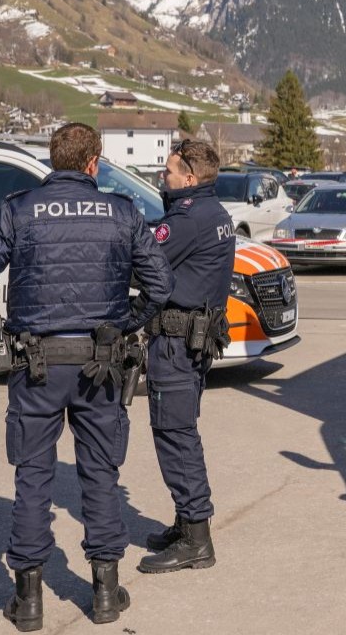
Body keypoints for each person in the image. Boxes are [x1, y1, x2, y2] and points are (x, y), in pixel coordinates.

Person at [0, 123, 173, 631]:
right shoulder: (122, 212)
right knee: (100, 474)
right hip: (101, 363)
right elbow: (160, 285)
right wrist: (127, 322)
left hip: (36, 365)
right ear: (93, 163)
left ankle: (28, 600)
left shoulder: (19, 209)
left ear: (54, 160)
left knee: (33, 475)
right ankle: (106, 594)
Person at [138, 140, 235, 574]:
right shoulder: (214, 212)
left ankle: (196, 539)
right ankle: (185, 522)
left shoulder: (187, 219)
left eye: (170, 171)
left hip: (177, 344)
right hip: (194, 341)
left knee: (175, 436)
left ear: (190, 179)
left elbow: (145, 264)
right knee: (181, 430)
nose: (164, 176)